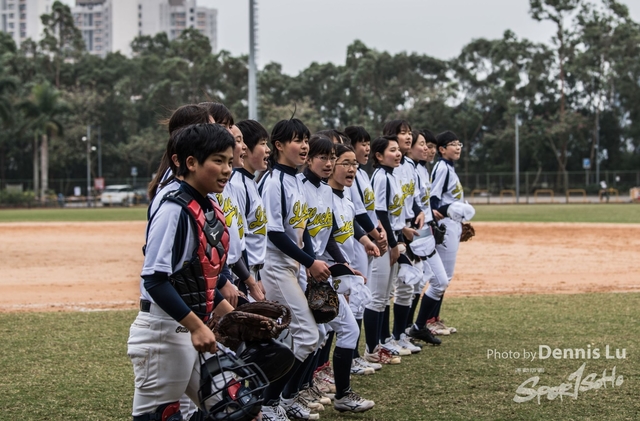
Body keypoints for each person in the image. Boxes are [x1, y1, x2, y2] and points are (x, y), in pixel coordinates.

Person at [127, 123, 236, 421]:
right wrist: (197, 327)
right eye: (218, 160)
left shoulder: (206, 204)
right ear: (191, 162)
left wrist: (231, 317)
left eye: (229, 161)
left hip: (193, 329)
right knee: (160, 416)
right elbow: (155, 279)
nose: (227, 169)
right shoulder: (173, 208)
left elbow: (196, 278)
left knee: (238, 409)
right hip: (164, 332)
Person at [258, 118, 330, 421]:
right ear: (278, 145)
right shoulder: (273, 182)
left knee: (312, 334)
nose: (304, 146)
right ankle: (269, 402)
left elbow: (305, 228)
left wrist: (310, 264)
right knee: (307, 335)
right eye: (297, 140)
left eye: (306, 140)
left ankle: (284, 398)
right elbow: (274, 233)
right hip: (275, 266)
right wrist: (309, 262)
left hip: (294, 266)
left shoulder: (296, 181)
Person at [323, 142, 377, 412]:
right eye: (346, 162)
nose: (352, 168)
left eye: (354, 163)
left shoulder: (344, 197)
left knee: (331, 332)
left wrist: (365, 240)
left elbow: (349, 223)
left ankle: (330, 389)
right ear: (331, 165)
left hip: (338, 272)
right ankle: (293, 393)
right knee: (323, 334)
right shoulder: (323, 196)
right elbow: (327, 235)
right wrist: (342, 266)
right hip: (324, 272)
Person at [343, 125, 386, 373]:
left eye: (368, 143)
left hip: (366, 239)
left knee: (360, 299)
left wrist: (378, 229)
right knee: (356, 299)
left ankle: (355, 355)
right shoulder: (350, 177)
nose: (367, 148)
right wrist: (374, 235)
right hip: (356, 241)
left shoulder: (362, 175)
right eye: (362, 143)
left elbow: (368, 210)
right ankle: (351, 357)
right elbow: (356, 214)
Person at [362, 135, 404, 366]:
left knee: (384, 297)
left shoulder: (391, 176)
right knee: (377, 298)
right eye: (392, 150)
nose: (398, 154)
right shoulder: (381, 177)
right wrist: (393, 245)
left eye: (398, 150)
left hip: (390, 239)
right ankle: (371, 349)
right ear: (379, 156)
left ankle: (378, 346)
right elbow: (381, 214)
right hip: (382, 242)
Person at [425, 130, 464, 335]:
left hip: (452, 224)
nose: (457, 148)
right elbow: (434, 198)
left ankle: (434, 318)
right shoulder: (442, 167)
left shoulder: (449, 167)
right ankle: (430, 320)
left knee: (444, 276)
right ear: (442, 149)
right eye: (453, 144)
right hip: (445, 225)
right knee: (443, 277)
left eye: (459, 144)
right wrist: (437, 221)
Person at [232, 119, 270, 294]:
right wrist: (249, 281)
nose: (268, 149)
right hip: (242, 275)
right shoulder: (237, 185)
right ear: (245, 149)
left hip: (253, 272)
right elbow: (239, 240)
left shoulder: (251, 182)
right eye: (262, 143)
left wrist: (258, 277)